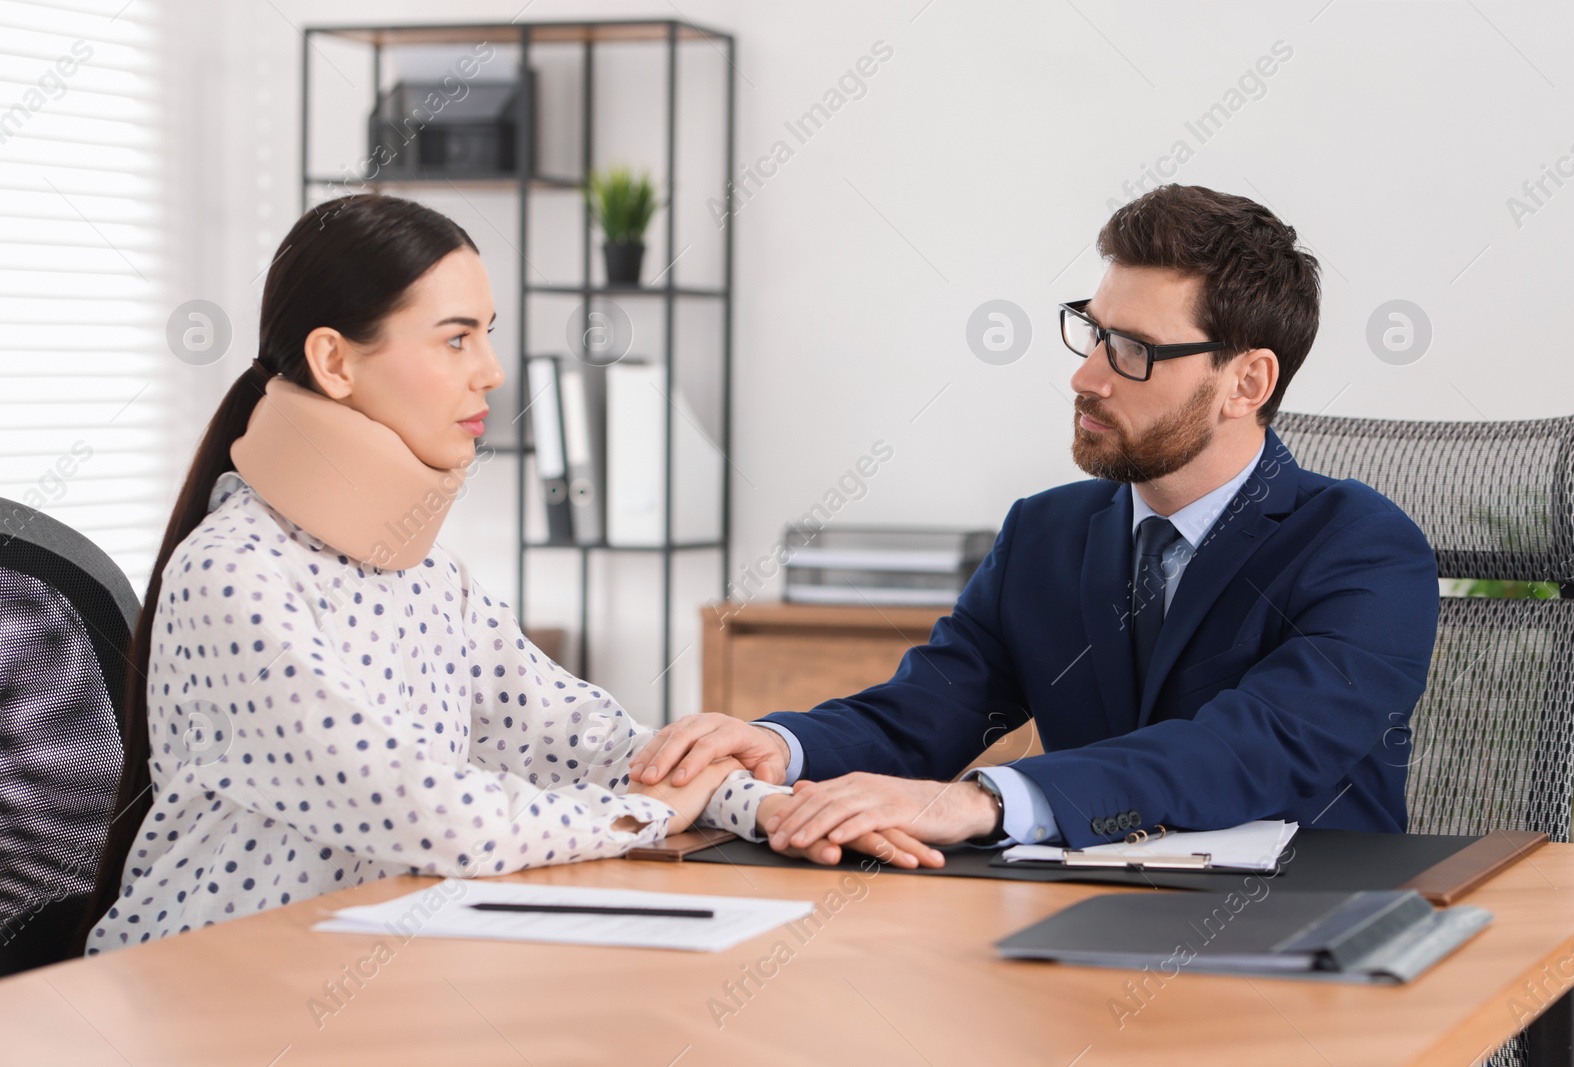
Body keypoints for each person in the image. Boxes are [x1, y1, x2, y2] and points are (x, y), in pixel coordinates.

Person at [78, 195, 933, 956]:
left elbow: (576, 736)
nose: (491, 370)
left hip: (373, 966)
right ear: (335, 363)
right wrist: (652, 812)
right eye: (456, 338)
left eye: (488, 334)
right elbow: (433, 813)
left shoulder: (422, 568)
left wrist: (759, 805)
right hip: (210, 984)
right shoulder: (233, 576)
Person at [632, 184, 1441, 859]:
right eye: (1094, 332)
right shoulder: (1044, 535)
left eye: (1133, 350)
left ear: (1247, 381)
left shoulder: (1363, 549)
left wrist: (989, 801)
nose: (1085, 376)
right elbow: (932, 708)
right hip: (1078, 927)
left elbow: (1251, 746)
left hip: (1302, 949)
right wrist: (780, 745)